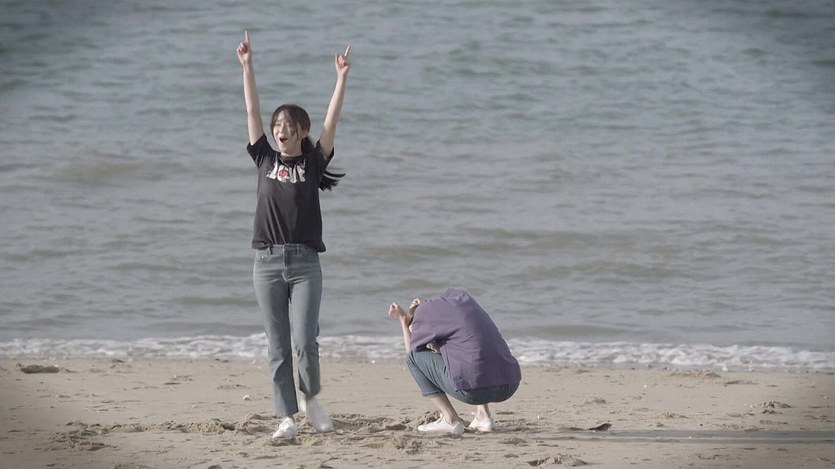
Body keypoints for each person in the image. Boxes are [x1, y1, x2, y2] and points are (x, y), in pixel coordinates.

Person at [236, 31, 351, 439]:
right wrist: (248, 66)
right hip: (266, 262)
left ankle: (311, 399)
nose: (280, 129)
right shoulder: (264, 157)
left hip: (305, 264)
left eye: (288, 125)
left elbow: (331, 122)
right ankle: (286, 417)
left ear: (302, 131)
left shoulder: (314, 163)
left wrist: (341, 79)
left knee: (305, 340)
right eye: (277, 125)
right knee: (278, 346)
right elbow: (252, 108)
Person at [388, 288, 522, 435]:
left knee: (413, 359)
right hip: (510, 384)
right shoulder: (464, 305)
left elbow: (412, 352)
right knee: (473, 353)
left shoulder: (424, 313)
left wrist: (403, 320)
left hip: (475, 392)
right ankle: (484, 416)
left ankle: (450, 420)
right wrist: (420, 310)